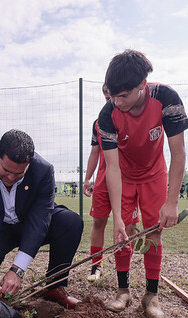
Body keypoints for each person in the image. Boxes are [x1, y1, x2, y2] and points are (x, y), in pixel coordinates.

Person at [98, 49, 188, 318]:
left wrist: (171, 202)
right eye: (112, 95)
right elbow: (112, 168)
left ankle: (151, 295)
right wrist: (116, 218)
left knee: (154, 232)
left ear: (141, 86)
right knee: (123, 231)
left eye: (123, 95)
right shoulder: (108, 115)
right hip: (124, 175)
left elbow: (179, 153)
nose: (116, 102)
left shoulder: (167, 99)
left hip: (154, 174)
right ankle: (123, 290)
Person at [0, 130, 84, 309]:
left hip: (28, 224)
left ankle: (54, 287)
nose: (10, 178)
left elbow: (40, 220)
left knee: (70, 222)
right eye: (6, 170)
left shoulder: (43, 170)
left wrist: (17, 270)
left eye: (19, 174)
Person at [83, 84, 112, 282]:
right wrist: (87, 178)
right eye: (107, 96)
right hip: (103, 182)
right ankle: (96, 266)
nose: (111, 100)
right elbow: (95, 152)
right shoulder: (98, 123)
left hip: (127, 181)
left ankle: (123, 268)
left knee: (129, 225)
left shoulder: (131, 119)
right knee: (98, 221)